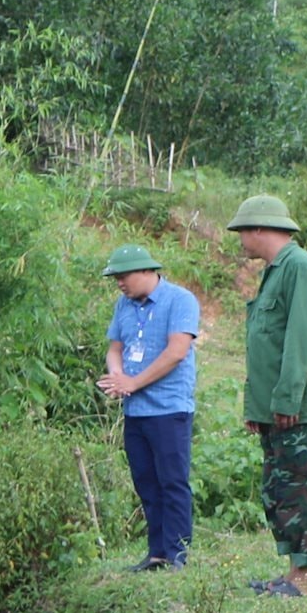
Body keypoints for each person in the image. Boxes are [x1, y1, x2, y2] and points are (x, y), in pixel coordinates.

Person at [228, 194, 307, 596]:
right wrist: (259, 405)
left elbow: (301, 339)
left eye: (242, 232)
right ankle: (294, 573)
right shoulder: (276, 271)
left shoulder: (301, 268)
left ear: (260, 229)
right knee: (280, 489)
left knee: (303, 489)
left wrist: (288, 399)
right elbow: (265, 345)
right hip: (276, 408)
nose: (240, 241)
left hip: (299, 410)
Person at [96, 244, 201, 570]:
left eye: (123, 276)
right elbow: (115, 348)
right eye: (116, 278)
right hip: (135, 411)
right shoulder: (123, 305)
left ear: (146, 271)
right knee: (146, 482)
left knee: (172, 482)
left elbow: (176, 352)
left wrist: (133, 382)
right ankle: (157, 553)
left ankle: (178, 554)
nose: (120, 284)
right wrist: (117, 374)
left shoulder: (180, 300)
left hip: (169, 409)